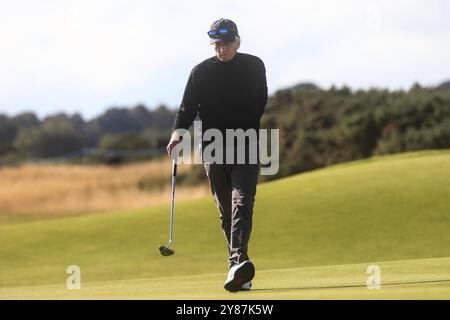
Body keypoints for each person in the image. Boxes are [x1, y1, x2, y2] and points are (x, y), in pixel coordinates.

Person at [166, 18, 268, 292]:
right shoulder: (200, 72)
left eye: (227, 43)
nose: (222, 49)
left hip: (246, 144)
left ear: (237, 41)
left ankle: (237, 262)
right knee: (226, 211)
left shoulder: (254, 66)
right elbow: (186, 108)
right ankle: (239, 268)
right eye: (217, 45)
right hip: (213, 148)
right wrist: (178, 133)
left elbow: (260, 101)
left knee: (242, 202)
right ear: (213, 44)